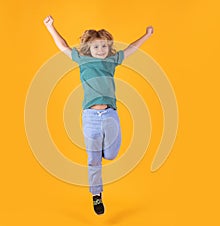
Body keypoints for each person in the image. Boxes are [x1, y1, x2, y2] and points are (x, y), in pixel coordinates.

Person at [43, 15, 153, 215]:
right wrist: (51, 27)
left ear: (108, 48)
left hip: (110, 115)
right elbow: (63, 46)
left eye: (103, 46)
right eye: (96, 47)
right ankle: (96, 196)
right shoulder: (82, 60)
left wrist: (146, 36)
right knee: (93, 160)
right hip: (91, 118)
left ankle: (103, 148)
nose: (100, 50)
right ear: (89, 50)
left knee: (110, 155)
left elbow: (131, 49)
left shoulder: (112, 60)